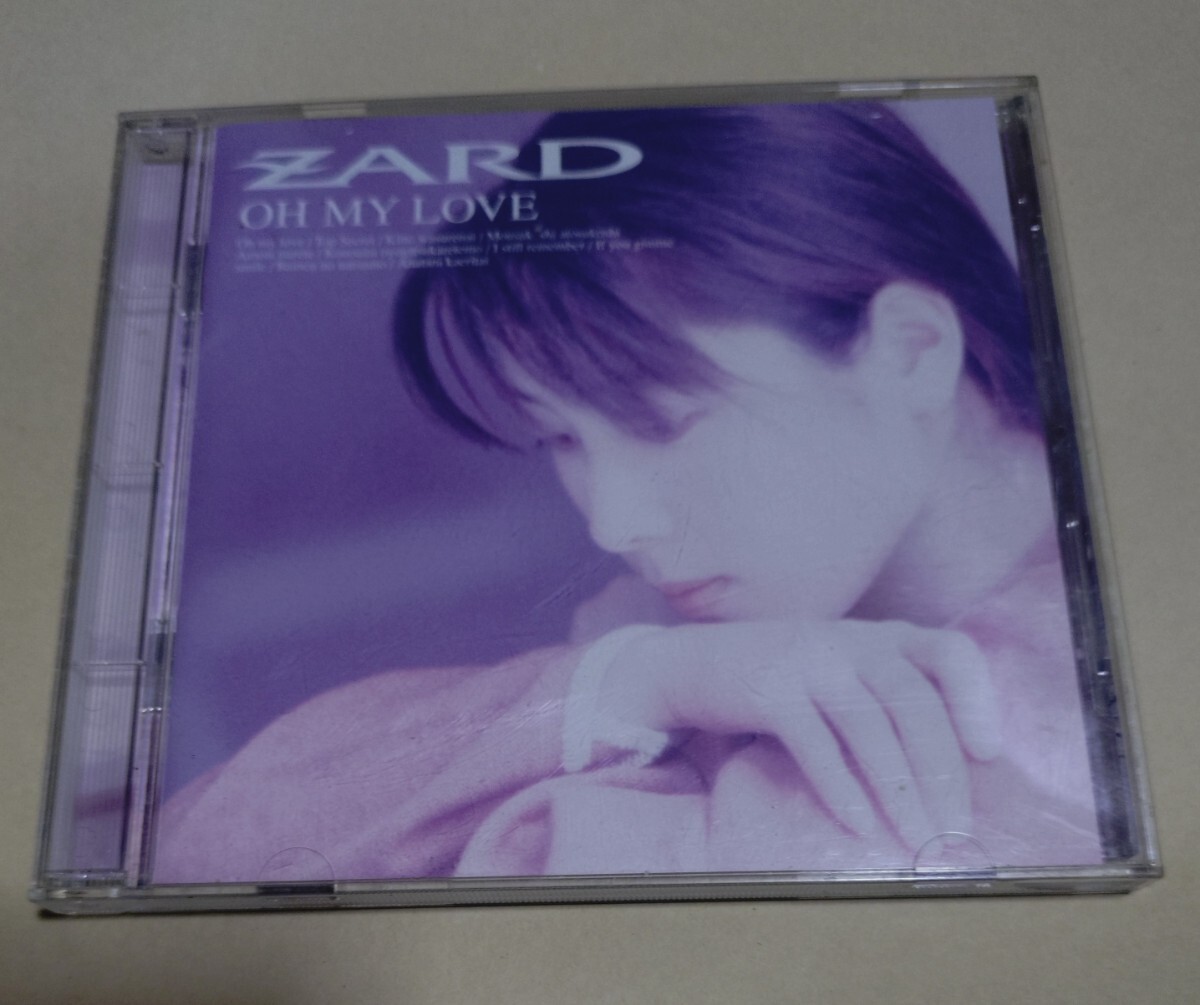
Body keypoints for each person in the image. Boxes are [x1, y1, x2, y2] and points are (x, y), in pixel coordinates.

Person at [155, 102, 1102, 884]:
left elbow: (212, 858)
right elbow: (190, 843)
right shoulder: (740, 630)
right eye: (562, 436)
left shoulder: (1047, 714)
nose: (614, 522)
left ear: (910, 352)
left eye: (663, 422)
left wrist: (632, 684)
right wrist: (647, 676)